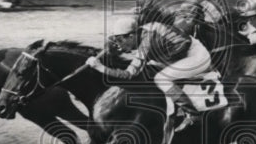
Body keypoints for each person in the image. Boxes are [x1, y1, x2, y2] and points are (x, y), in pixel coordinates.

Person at [84, 15, 213, 127]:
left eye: (120, 39)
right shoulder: (143, 31)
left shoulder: (146, 43)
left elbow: (129, 74)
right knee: (151, 68)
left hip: (196, 57)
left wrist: (100, 67)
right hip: (187, 49)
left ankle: (193, 114)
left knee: (161, 78)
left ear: (131, 35)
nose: (118, 44)